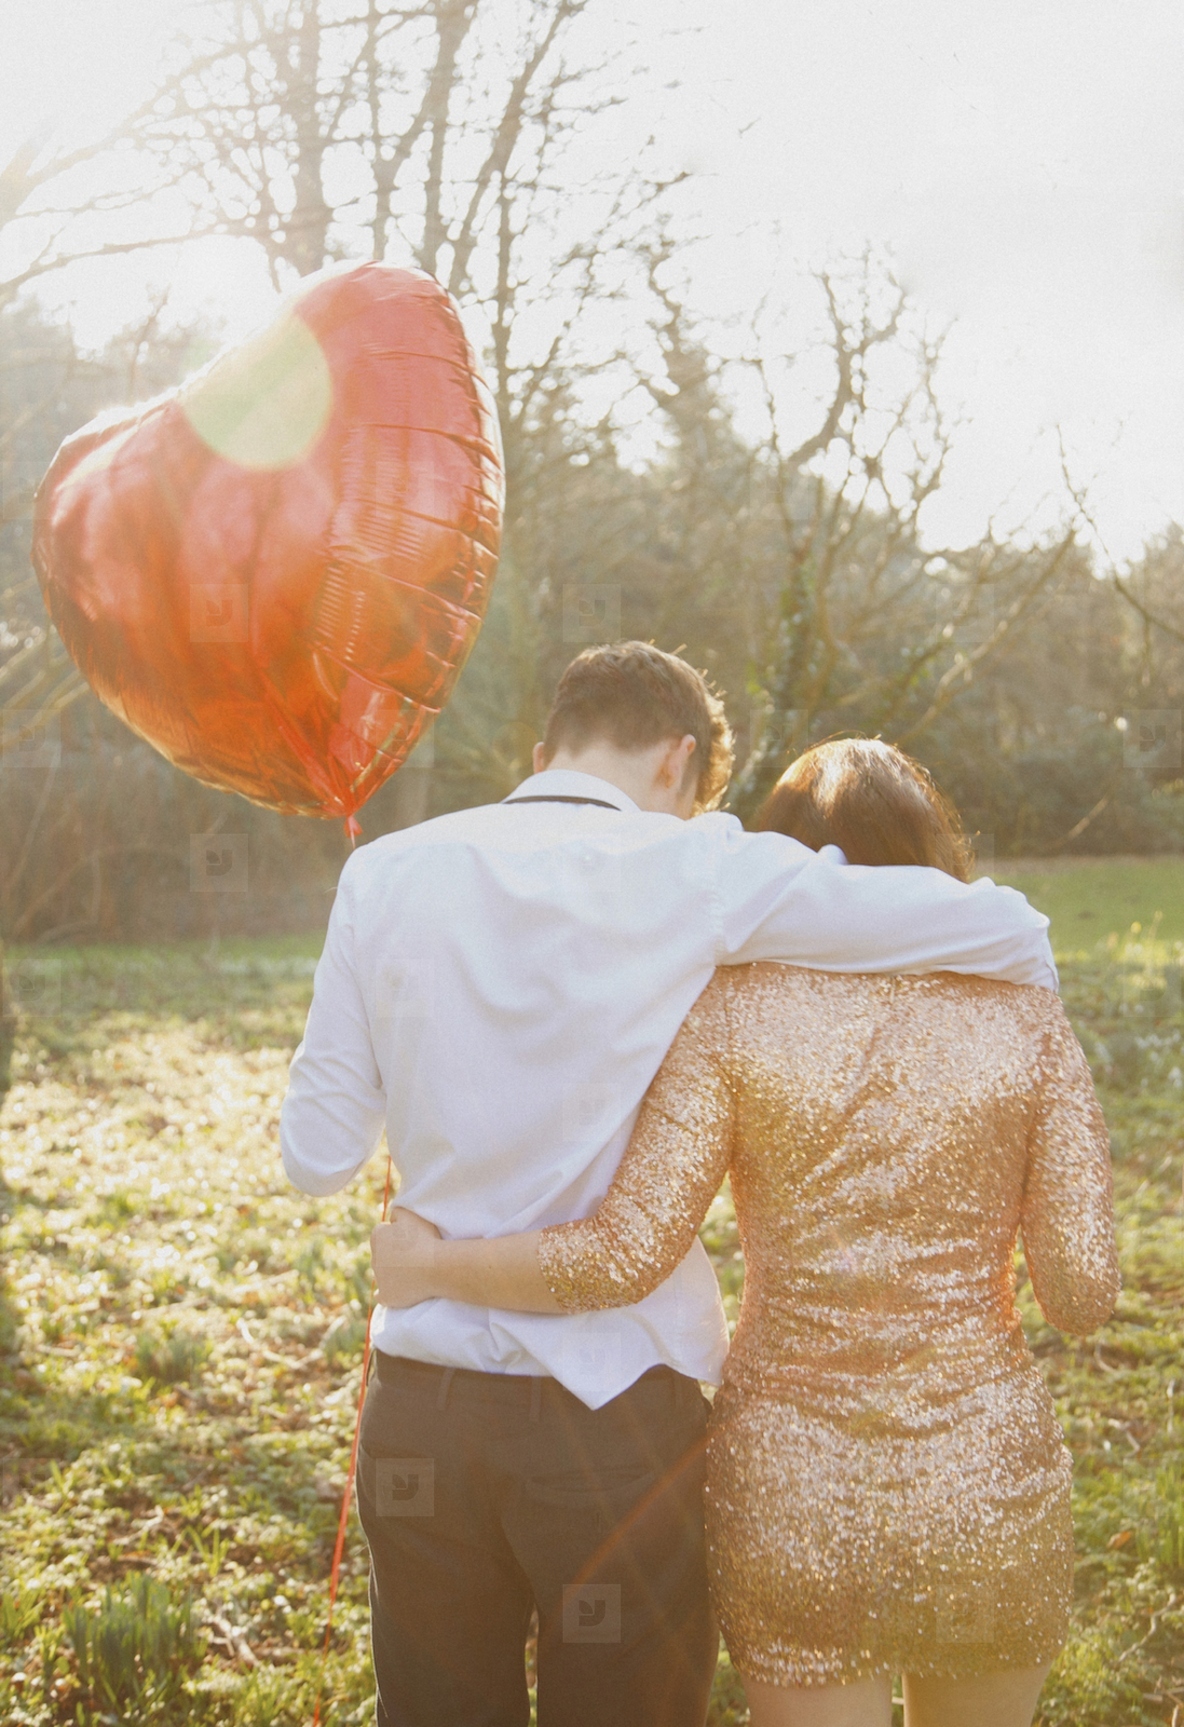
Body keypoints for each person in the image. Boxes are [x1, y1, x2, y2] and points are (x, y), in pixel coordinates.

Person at [281, 644, 1058, 1727]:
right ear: (680, 761)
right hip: (607, 1426)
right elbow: (1011, 930)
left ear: (544, 746)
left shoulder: (384, 871)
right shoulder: (692, 864)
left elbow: (315, 1153)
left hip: (423, 1412)